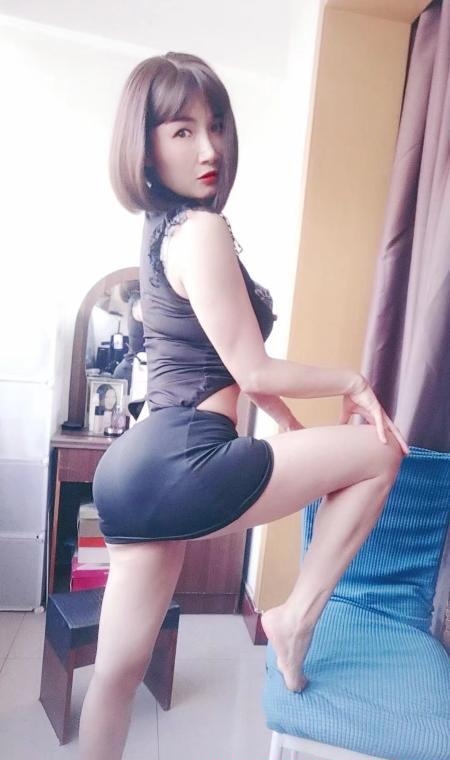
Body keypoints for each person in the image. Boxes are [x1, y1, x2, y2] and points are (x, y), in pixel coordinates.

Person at [78, 52, 409, 760]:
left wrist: (290, 429)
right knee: (383, 451)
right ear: (145, 146)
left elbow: (237, 368)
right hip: (186, 458)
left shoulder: (164, 229)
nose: (210, 148)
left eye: (217, 126)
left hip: (136, 470)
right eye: (182, 131)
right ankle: (293, 620)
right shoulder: (202, 232)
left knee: (116, 675)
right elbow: (252, 366)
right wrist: (352, 380)